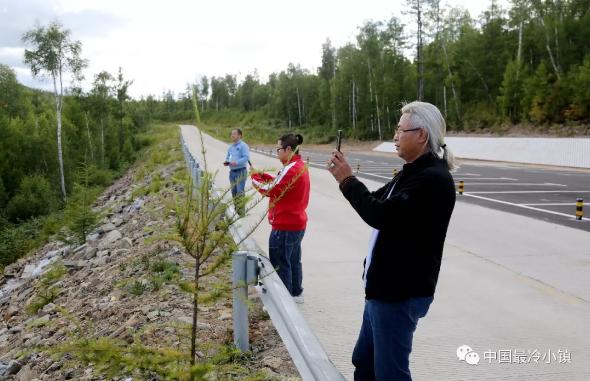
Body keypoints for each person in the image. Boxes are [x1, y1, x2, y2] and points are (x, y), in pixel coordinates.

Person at [327, 101, 457, 380]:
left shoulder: (432, 179)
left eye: (400, 130)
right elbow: (374, 200)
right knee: (365, 362)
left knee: (389, 373)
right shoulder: (412, 172)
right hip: (383, 290)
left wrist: (347, 180)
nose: (395, 137)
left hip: (399, 293)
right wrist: (347, 180)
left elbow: (378, 214)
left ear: (421, 135)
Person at [251, 134, 310, 303]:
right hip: (296, 223)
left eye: (278, 149)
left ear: (288, 149)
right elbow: (280, 184)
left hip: (285, 225)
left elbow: (270, 189)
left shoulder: (291, 168)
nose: (277, 152)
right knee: (292, 260)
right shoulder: (298, 166)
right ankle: (296, 293)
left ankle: (284, 303)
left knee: (280, 264)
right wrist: (263, 175)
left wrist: (255, 178)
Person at [224, 128, 250, 216]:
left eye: (234, 134)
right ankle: (237, 210)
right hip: (232, 172)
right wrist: (227, 161)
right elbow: (228, 157)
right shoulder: (231, 147)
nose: (232, 135)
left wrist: (237, 162)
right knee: (234, 191)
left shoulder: (243, 146)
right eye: (231, 134)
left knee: (240, 191)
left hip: (241, 171)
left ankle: (241, 212)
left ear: (240, 135)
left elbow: (246, 157)